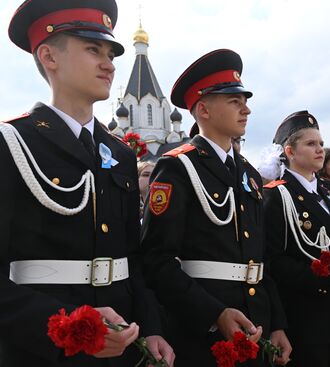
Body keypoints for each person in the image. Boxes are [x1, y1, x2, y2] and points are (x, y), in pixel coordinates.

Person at [0, 1, 174, 366]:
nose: (109, 63)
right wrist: (70, 326)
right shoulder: (12, 143)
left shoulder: (121, 154)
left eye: (110, 52)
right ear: (49, 56)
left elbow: (132, 259)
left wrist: (153, 327)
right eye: (93, 49)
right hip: (44, 350)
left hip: (124, 345)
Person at [140, 49, 291, 366]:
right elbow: (156, 259)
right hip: (205, 327)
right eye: (235, 102)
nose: (246, 110)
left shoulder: (248, 174)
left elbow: (261, 258)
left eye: (245, 101)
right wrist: (213, 314)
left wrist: (277, 322)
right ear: (204, 110)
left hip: (256, 320)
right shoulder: (178, 167)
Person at [259, 111, 330, 367]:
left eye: (321, 143)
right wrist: (328, 277)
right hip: (305, 315)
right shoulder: (275, 196)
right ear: (290, 151)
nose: (320, 150)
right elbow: (273, 262)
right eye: (310, 144)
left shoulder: (328, 190)